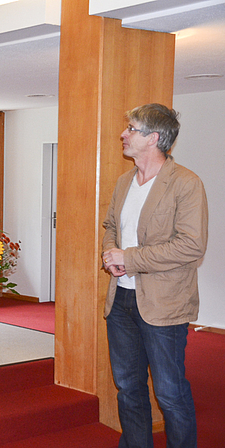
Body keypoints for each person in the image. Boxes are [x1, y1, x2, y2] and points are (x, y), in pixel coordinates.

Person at [102, 103, 208, 447]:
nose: (123, 134)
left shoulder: (186, 183)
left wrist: (129, 258)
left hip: (165, 304)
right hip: (121, 300)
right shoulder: (123, 182)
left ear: (155, 138)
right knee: (128, 386)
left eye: (131, 128)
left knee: (169, 391)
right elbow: (110, 226)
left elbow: (191, 246)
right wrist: (110, 253)